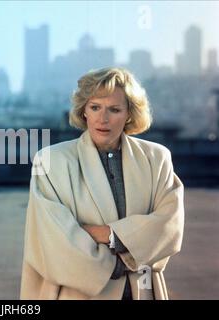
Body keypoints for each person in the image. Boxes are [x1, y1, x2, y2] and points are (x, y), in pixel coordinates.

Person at [20, 67, 184, 300]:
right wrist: (127, 257)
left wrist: (110, 236)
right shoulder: (51, 162)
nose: (102, 118)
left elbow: (169, 226)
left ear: (129, 114)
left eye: (114, 109)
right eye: (95, 107)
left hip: (142, 293)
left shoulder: (157, 159)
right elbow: (52, 242)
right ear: (84, 110)